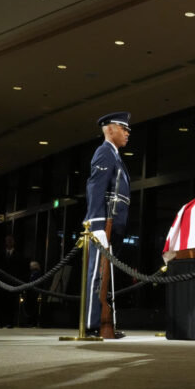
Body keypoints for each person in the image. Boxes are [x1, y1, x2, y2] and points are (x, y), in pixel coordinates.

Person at [83, 111, 131, 339]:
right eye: (123, 128)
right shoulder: (104, 153)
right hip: (104, 223)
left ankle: (106, 323)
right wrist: (96, 224)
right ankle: (92, 324)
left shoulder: (114, 155)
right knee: (97, 274)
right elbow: (96, 188)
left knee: (107, 274)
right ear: (110, 129)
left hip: (115, 223)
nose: (127, 133)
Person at [0, 235, 28, 328]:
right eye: (7, 241)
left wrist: (21, 284)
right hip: (0, 283)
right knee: (0, 303)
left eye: (10, 241)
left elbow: (22, 271)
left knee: (11, 303)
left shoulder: (19, 256)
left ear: (13, 242)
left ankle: (10, 322)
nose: (9, 242)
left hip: (12, 284)